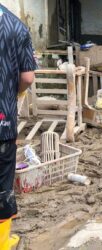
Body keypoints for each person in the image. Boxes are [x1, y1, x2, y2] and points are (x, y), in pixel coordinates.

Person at [0, 4, 37, 248]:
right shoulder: (16, 25)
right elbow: (27, 77)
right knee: (2, 186)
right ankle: (3, 243)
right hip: (3, 121)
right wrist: (16, 95)